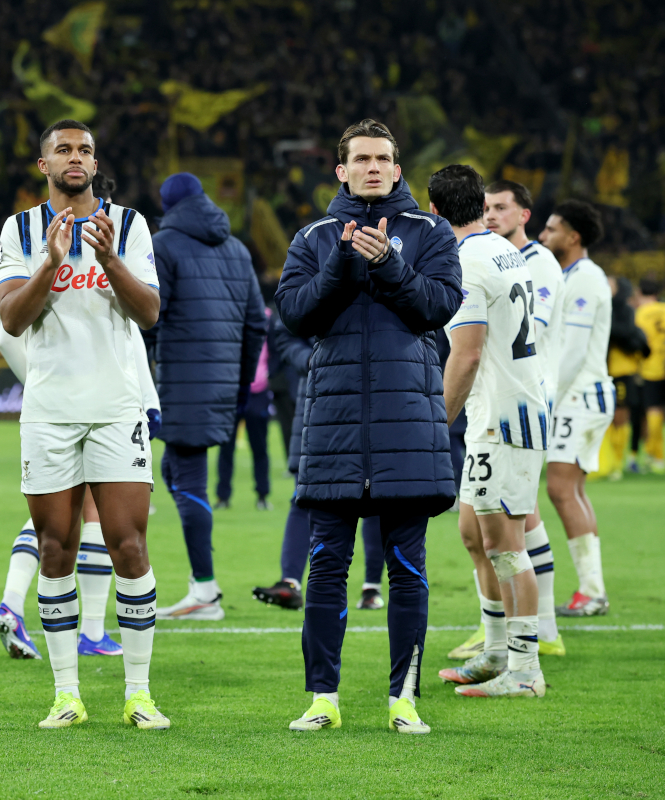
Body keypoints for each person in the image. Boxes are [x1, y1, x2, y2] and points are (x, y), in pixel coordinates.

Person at [275, 119, 461, 735]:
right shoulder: (313, 236)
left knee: (407, 567)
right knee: (327, 564)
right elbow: (296, 315)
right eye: (362, 158)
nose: (374, 167)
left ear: (398, 168)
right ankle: (321, 699)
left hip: (407, 418)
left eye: (384, 158)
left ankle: (402, 700)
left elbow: (439, 307)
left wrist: (388, 267)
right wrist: (342, 266)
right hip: (334, 423)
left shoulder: (432, 233)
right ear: (341, 169)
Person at [0, 119, 167, 730]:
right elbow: (13, 320)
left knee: (129, 545)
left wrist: (110, 258)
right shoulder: (19, 230)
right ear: (43, 164)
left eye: (86, 150)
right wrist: (51, 263)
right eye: (63, 149)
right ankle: (66, 694)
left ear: (96, 164)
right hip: (49, 412)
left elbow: (148, 312)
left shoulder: (131, 224)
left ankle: (140, 694)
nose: (76, 157)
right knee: (55, 549)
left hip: (117, 408)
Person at [430, 165, 548, 698]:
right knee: (474, 533)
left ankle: (525, 671)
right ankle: (497, 652)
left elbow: (468, 351)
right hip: (502, 412)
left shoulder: (464, 262)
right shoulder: (504, 249)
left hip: (504, 417)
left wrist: (438, 423)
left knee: (505, 544)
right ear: (480, 203)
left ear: (433, 211)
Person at [0, 322, 160, 660]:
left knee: (62, 518)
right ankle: (93, 631)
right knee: (89, 512)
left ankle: (11, 603)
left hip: (68, 408)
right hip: (94, 409)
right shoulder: (70, 272)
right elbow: (7, 337)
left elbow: (6, 338)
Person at [147, 172, 268, 622]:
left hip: (180, 382)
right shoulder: (236, 249)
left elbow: (150, 317)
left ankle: (205, 591)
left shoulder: (165, 245)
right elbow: (257, 323)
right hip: (222, 383)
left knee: (186, 479)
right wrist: (239, 382)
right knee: (175, 473)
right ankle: (202, 588)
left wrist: (148, 365)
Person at [253, 313, 387, 612]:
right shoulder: (313, 267)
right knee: (305, 492)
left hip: (376, 392)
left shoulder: (388, 267)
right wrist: (315, 361)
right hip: (319, 395)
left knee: (377, 490)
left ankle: (370, 587)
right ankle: (290, 583)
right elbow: (285, 331)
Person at [537, 200, 614, 618]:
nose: (543, 236)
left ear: (573, 236)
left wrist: (548, 398)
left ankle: (592, 591)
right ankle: (593, 589)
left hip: (579, 396)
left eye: (551, 230)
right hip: (580, 395)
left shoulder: (584, 278)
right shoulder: (572, 276)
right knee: (572, 490)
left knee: (561, 489)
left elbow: (573, 350)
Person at [214, 320, 271, 512]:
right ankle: (223, 497)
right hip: (233, 390)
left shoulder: (266, 320)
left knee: (260, 447)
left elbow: (276, 352)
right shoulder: (231, 318)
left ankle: (262, 496)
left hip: (258, 392)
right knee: (226, 447)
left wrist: (270, 374)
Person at [600, 277, 650, 479]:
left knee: (620, 416)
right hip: (605, 371)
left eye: (611, 285)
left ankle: (618, 463)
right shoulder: (605, 307)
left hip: (621, 372)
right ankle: (610, 461)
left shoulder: (623, 311)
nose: (606, 287)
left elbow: (627, 333)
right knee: (608, 417)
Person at [634, 275, 665, 472]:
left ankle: (656, 455)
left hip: (650, 368)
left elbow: (639, 342)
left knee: (652, 409)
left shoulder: (641, 314)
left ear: (640, 292)